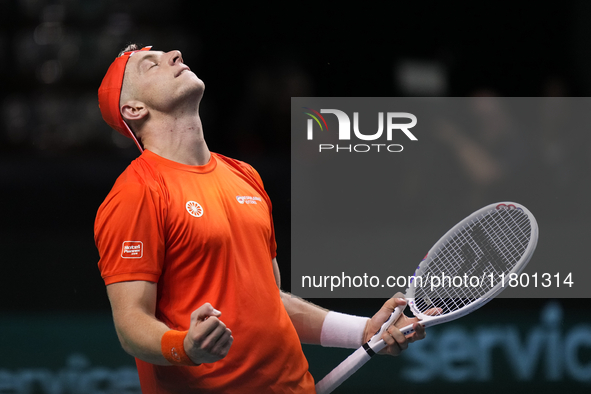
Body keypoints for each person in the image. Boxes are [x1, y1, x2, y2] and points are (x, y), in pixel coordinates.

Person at [94, 44, 427, 394]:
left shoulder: (244, 175)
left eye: (167, 54)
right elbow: (131, 324)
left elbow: (271, 300)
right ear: (133, 109)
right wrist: (186, 347)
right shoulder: (137, 192)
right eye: (151, 65)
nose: (174, 55)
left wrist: (361, 332)